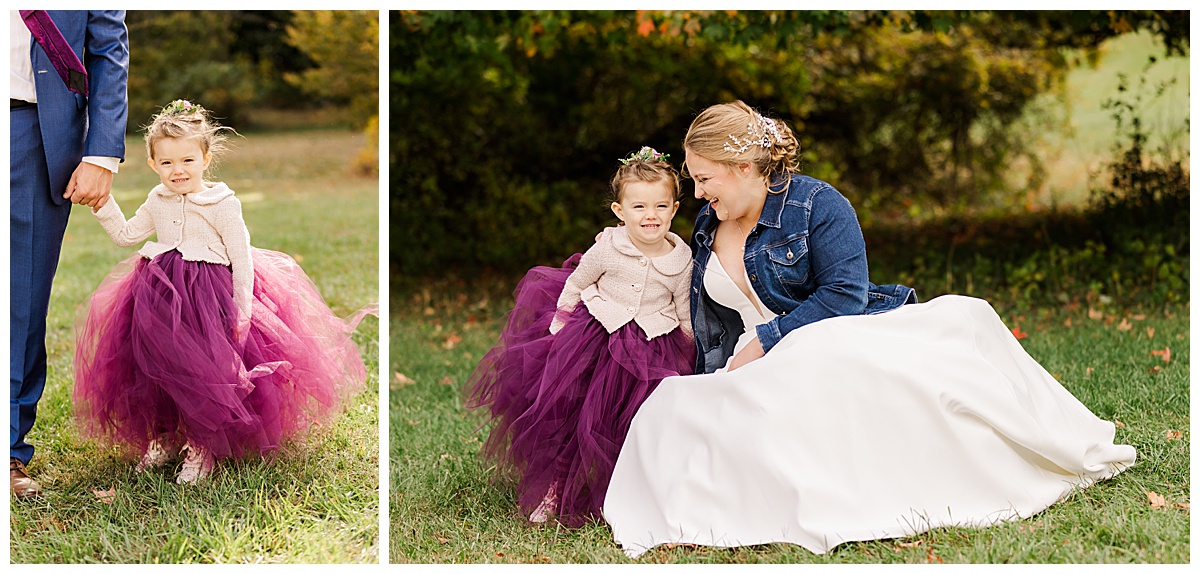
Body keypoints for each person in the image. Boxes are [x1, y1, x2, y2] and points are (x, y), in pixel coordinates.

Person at [603, 101, 1137, 557]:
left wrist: (768, 341)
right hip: (747, 356)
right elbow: (704, 310)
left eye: (703, 178)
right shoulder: (707, 225)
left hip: (826, 335)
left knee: (844, 354)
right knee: (674, 405)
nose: (697, 193)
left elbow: (845, 296)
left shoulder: (818, 205)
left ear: (742, 165)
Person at [71, 100, 373, 484]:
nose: (177, 171)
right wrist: (102, 203)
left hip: (208, 298)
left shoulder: (223, 204)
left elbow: (241, 258)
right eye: (166, 163)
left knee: (204, 372)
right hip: (157, 295)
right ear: (152, 165)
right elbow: (125, 235)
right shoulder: (157, 199)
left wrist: (242, 308)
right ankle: (164, 435)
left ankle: (202, 443)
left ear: (205, 158)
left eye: (186, 161)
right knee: (158, 367)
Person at [466, 147, 696, 527]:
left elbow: (683, 304)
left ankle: (627, 490)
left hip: (654, 345)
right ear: (620, 212)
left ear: (673, 209)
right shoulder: (608, 248)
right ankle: (555, 486)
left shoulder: (680, 258)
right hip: (596, 339)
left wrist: (687, 342)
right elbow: (576, 283)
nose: (650, 215)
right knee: (575, 414)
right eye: (639, 207)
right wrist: (560, 327)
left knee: (637, 420)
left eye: (660, 206)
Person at [10, 10, 129, 499]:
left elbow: (107, 48)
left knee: (19, 296)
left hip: (28, 129)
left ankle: (6, 448)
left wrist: (101, 153)